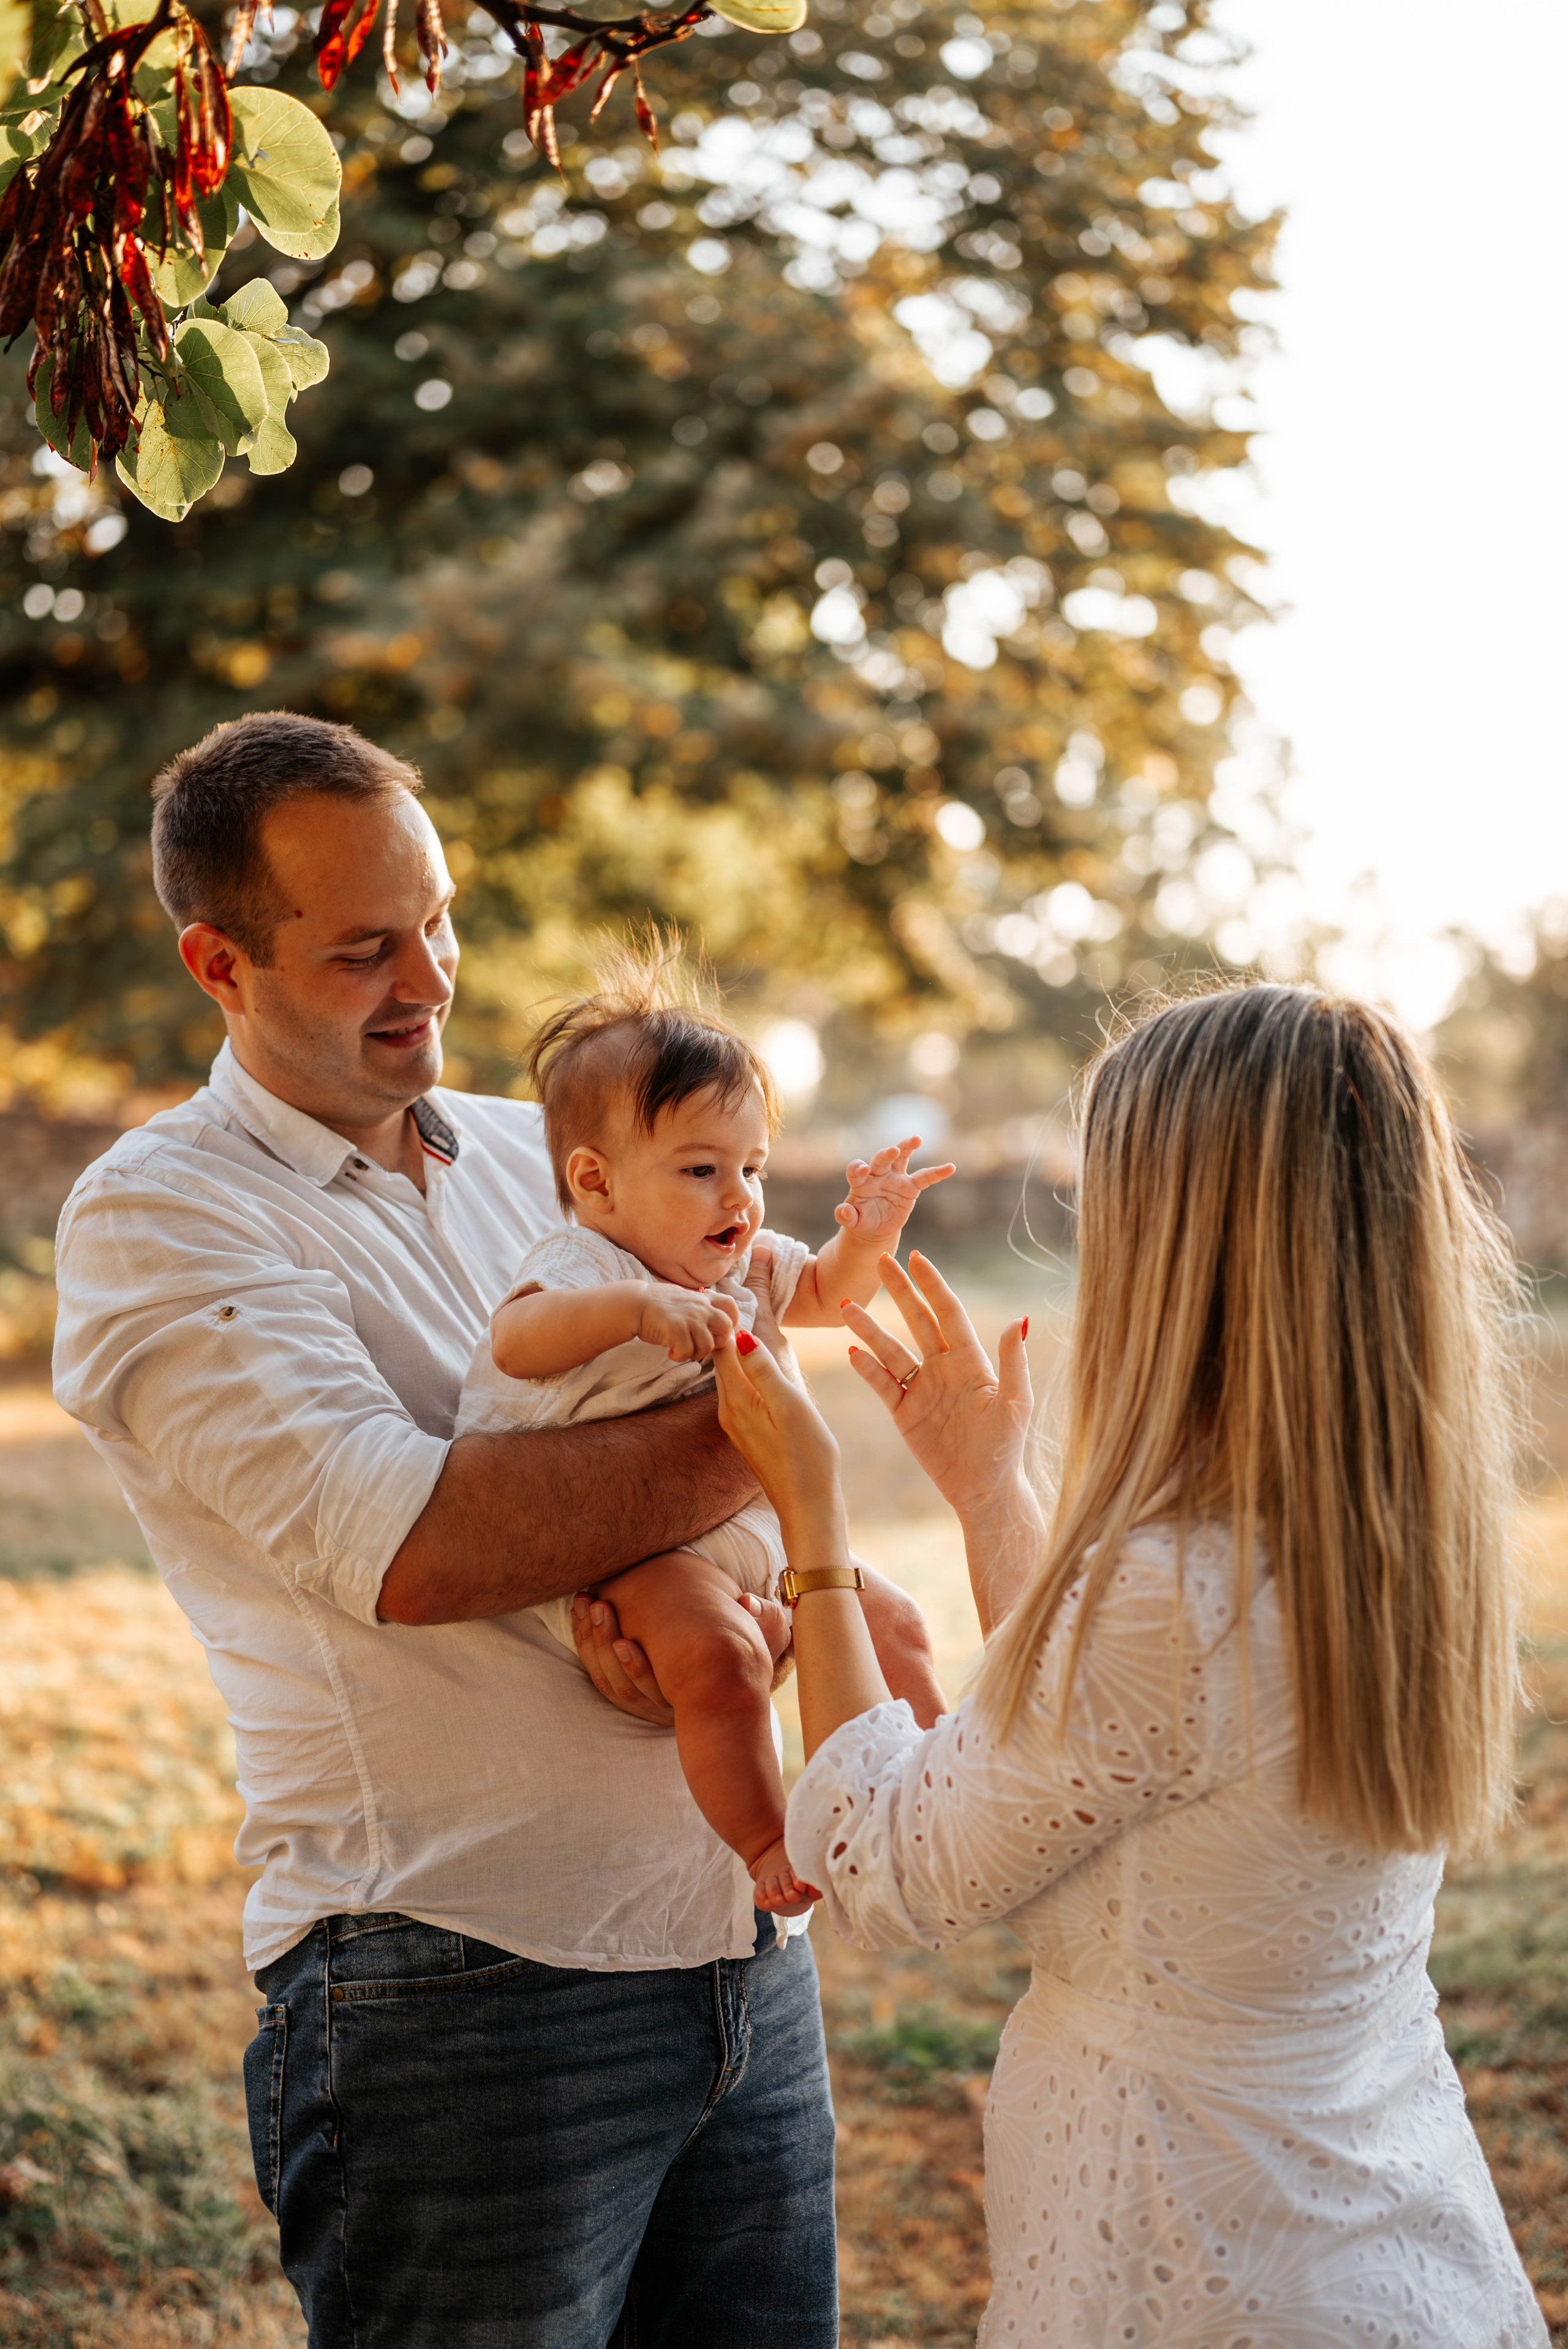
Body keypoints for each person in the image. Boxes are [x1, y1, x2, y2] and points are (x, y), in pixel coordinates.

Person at [50, 711, 849, 2349]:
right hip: (458, 1980)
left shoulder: (544, 1151)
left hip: (739, 1949)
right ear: (219, 961)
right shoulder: (158, 1216)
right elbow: (420, 1541)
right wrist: (766, 1437)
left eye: (439, 920)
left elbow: (661, 1434)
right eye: (362, 951)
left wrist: (747, 1601)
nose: (429, 978)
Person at [693, 984, 1547, 2348]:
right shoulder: (1378, 1531)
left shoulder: (1170, 1586)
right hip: (1380, 2241)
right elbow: (1112, 1750)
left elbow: (883, 1863)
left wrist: (812, 1517)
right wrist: (988, 1494)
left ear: (1188, 1249)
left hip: (1201, 2261)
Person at [456, 942, 949, 1915]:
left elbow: (819, 1293)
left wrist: (868, 1236)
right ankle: (769, 1840)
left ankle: (954, 1780)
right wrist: (635, 1311)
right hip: (632, 1547)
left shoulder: (741, 1261)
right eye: (701, 1168)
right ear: (596, 1184)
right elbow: (516, 1341)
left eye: (752, 1166)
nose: (740, 1197)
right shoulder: (585, 1266)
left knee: (894, 1620)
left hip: (748, 1524)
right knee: (719, 1662)